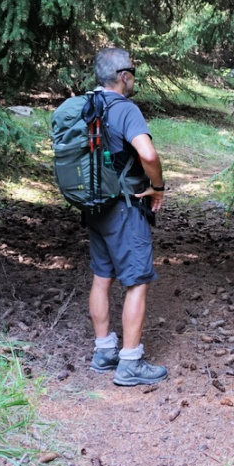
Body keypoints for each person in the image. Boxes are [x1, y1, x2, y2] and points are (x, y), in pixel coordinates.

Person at [85, 47, 168, 386]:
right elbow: (147, 153)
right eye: (131, 72)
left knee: (101, 277)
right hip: (125, 207)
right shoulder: (125, 109)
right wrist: (158, 187)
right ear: (123, 76)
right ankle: (130, 363)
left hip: (94, 205)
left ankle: (104, 351)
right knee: (136, 282)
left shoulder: (87, 107)